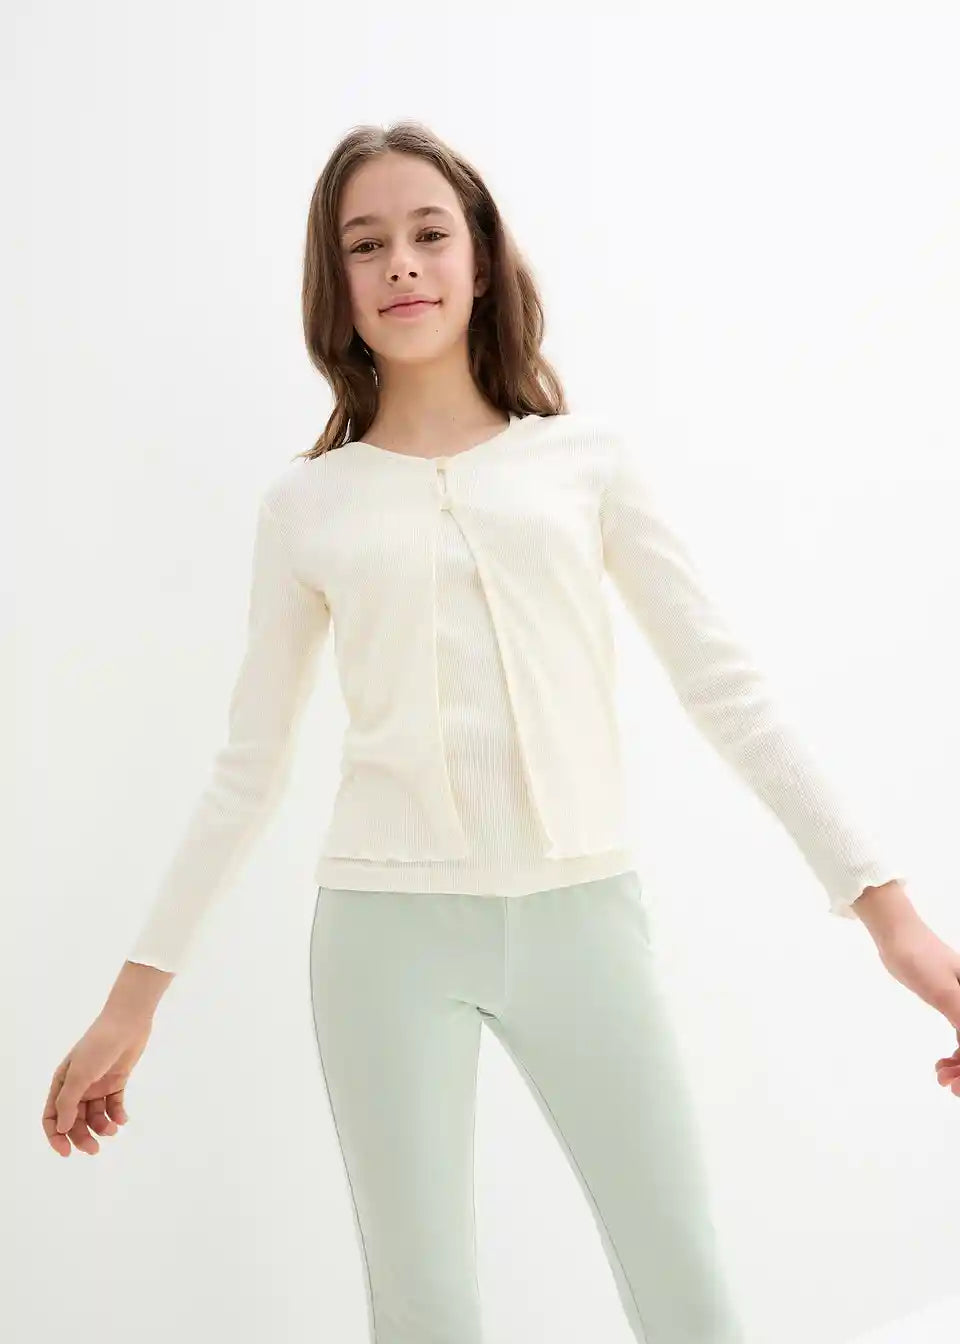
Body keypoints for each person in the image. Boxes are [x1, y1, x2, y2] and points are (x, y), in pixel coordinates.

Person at [43, 121, 960, 1344]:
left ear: (480, 257)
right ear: (335, 284)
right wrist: (131, 1002)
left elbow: (727, 690)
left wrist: (892, 917)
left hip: (585, 921)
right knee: (425, 1311)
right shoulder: (307, 504)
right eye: (365, 244)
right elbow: (246, 771)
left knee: (689, 1294)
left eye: (430, 233)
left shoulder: (585, 464)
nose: (401, 263)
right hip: (383, 941)